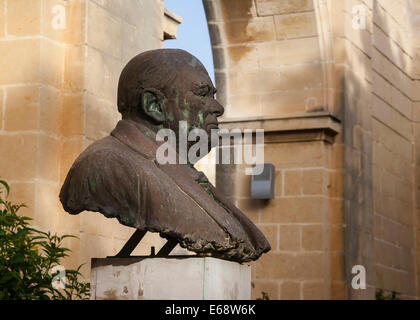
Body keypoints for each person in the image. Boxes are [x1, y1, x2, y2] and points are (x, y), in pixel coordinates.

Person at [60, 49, 270, 262]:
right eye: (202, 94)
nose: (218, 108)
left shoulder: (178, 168)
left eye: (213, 96)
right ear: (154, 105)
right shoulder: (107, 165)